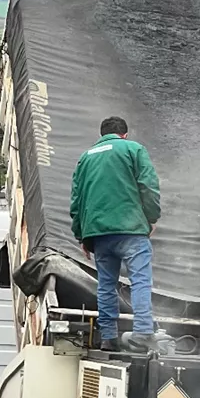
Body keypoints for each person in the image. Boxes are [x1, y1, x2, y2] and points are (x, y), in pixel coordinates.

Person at [69, 116, 162, 354]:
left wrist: (82, 236)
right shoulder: (133, 149)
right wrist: (151, 218)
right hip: (131, 231)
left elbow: (77, 201)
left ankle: (108, 337)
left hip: (99, 234)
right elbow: (148, 186)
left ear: (101, 135)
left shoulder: (85, 158)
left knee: (106, 286)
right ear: (125, 134)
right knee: (140, 280)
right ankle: (142, 332)